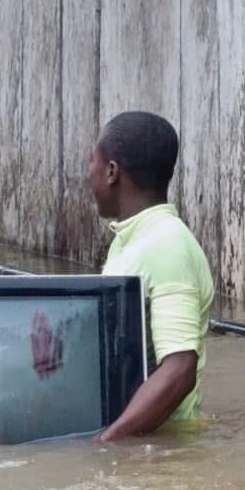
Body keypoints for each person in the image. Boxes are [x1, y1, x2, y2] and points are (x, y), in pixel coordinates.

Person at [86, 111, 214, 441]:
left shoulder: (166, 245)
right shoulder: (131, 241)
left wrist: (108, 442)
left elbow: (179, 369)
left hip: (162, 449)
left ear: (111, 171)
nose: (89, 175)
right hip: (139, 439)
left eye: (93, 163)